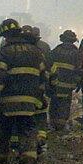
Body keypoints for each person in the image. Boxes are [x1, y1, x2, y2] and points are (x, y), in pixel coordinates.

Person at [0, 19, 48, 164]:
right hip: (30, 100)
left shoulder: (5, 51)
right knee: (27, 128)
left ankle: (0, 157)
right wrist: (39, 96)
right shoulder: (35, 51)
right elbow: (43, 76)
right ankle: (28, 160)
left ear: (6, 36)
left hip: (8, 100)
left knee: (3, 128)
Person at [22, 26, 50, 154]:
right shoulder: (40, 50)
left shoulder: (9, 49)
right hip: (37, 91)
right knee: (39, 112)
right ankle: (40, 139)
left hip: (18, 92)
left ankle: (17, 143)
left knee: (20, 117)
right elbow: (47, 70)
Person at [47, 30, 80, 131]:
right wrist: (77, 83)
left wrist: (50, 81)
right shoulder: (76, 52)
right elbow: (78, 69)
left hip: (55, 82)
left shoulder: (56, 50)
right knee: (65, 103)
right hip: (68, 84)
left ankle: (52, 123)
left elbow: (49, 64)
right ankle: (61, 125)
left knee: (55, 102)